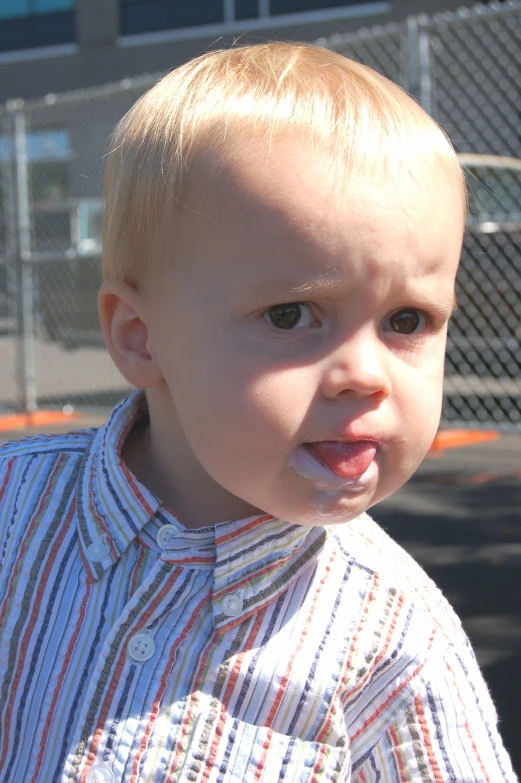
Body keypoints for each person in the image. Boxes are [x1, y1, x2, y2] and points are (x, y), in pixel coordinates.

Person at [0, 43, 516, 783]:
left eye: (406, 320)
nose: (365, 374)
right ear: (139, 336)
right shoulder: (15, 509)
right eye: (290, 314)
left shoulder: (395, 642)